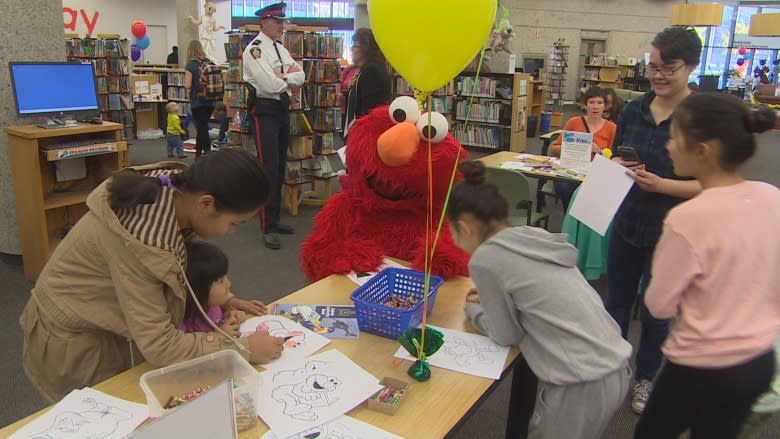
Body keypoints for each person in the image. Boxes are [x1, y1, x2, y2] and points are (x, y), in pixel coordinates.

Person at [19, 149, 285, 402]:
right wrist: (243, 349)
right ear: (206, 203)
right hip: (77, 346)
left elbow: (176, 269)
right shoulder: (137, 242)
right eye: (234, 223)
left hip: (113, 329)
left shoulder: (176, 197)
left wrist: (222, 298)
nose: (232, 232)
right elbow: (161, 345)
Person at [448, 161, 632, 439]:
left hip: (581, 380)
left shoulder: (485, 259)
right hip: (612, 363)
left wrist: (474, 310)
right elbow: (533, 293)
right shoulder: (533, 236)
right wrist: (492, 300)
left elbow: (506, 333)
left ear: (464, 228)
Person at [634, 93, 779, 438]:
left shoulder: (688, 218)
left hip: (699, 365)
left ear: (703, 150)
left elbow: (658, 304)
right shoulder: (771, 196)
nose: (668, 146)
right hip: (758, 360)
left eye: (675, 137)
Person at [605, 26, 704, 415]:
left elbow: (713, 184)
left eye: (670, 68)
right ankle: (611, 369)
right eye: (653, 67)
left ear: (692, 66)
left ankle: (646, 377)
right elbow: (620, 156)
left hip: (673, 231)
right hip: (627, 221)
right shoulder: (634, 109)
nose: (658, 75)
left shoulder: (700, 116)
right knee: (614, 303)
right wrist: (614, 165)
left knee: (656, 311)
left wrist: (663, 185)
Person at [243, 2, 305, 250]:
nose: (281, 26)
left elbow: (302, 76)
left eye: (282, 22)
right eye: (277, 21)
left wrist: (284, 78)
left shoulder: (279, 48)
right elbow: (268, 85)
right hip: (265, 110)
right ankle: (267, 226)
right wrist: (286, 79)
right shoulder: (254, 50)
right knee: (268, 168)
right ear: (264, 22)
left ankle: (275, 219)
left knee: (280, 166)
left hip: (281, 110)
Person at [550, 87, 616, 211]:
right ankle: (570, 219)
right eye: (591, 102)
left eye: (599, 103)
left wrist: (600, 152)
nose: (595, 107)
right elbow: (554, 149)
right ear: (585, 105)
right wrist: (572, 147)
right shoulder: (574, 122)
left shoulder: (611, 127)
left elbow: (614, 157)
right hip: (572, 170)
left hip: (596, 173)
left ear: (605, 106)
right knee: (564, 186)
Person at [179, 240, 265, 335]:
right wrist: (218, 336)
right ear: (197, 289)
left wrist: (230, 316)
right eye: (221, 281)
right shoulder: (182, 324)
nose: (229, 284)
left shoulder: (213, 304)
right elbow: (189, 348)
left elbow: (219, 320)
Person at [343, 28, 392, 138]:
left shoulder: (371, 71)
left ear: (365, 49)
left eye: (355, 46)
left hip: (367, 135)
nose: (352, 49)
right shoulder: (367, 70)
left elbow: (369, 109)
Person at [184, 40, 219, 158]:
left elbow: (188, 85)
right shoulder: (210, 62)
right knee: (202, 126)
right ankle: (198, 154)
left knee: (202, 127)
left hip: (197, 101)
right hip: (211, 100)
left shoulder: (190, 64)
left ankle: (208, 154)